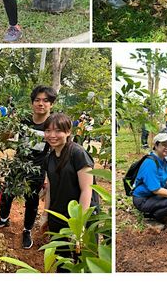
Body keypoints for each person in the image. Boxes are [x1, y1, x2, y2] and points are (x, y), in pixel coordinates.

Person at [0, 85, 54, 249]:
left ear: (51, 104)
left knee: (31, 202)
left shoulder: (52, 124)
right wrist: (7, 128)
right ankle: (3, 219)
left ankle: (27, 230)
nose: (41, 104)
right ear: (32, 103)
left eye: (45, 101)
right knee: (7, 194)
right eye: (37, 100)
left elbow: (55, 151)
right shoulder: (23, 119)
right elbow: (6, 137)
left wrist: (48, 178)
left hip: (38, 169)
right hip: (18, 165)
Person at [43, 112, 97, 270]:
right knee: (62, 259)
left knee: (84, 260)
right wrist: (46, 214)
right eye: (48, 131)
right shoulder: (49, 158)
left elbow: (87, 190)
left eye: (58, 131)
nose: (52, 135)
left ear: (68, 132)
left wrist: (79, 225)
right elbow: (50, 187)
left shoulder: (78, 154)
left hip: (80, 217)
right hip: (58, 214)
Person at [132, 133, 167, 224]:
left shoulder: (164, 159)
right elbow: (156, 190)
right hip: (144, 199)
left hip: (154, 193)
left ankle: (162, 207)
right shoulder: (150, 163)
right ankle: (153, 216)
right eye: (164, 145)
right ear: (156, 145)